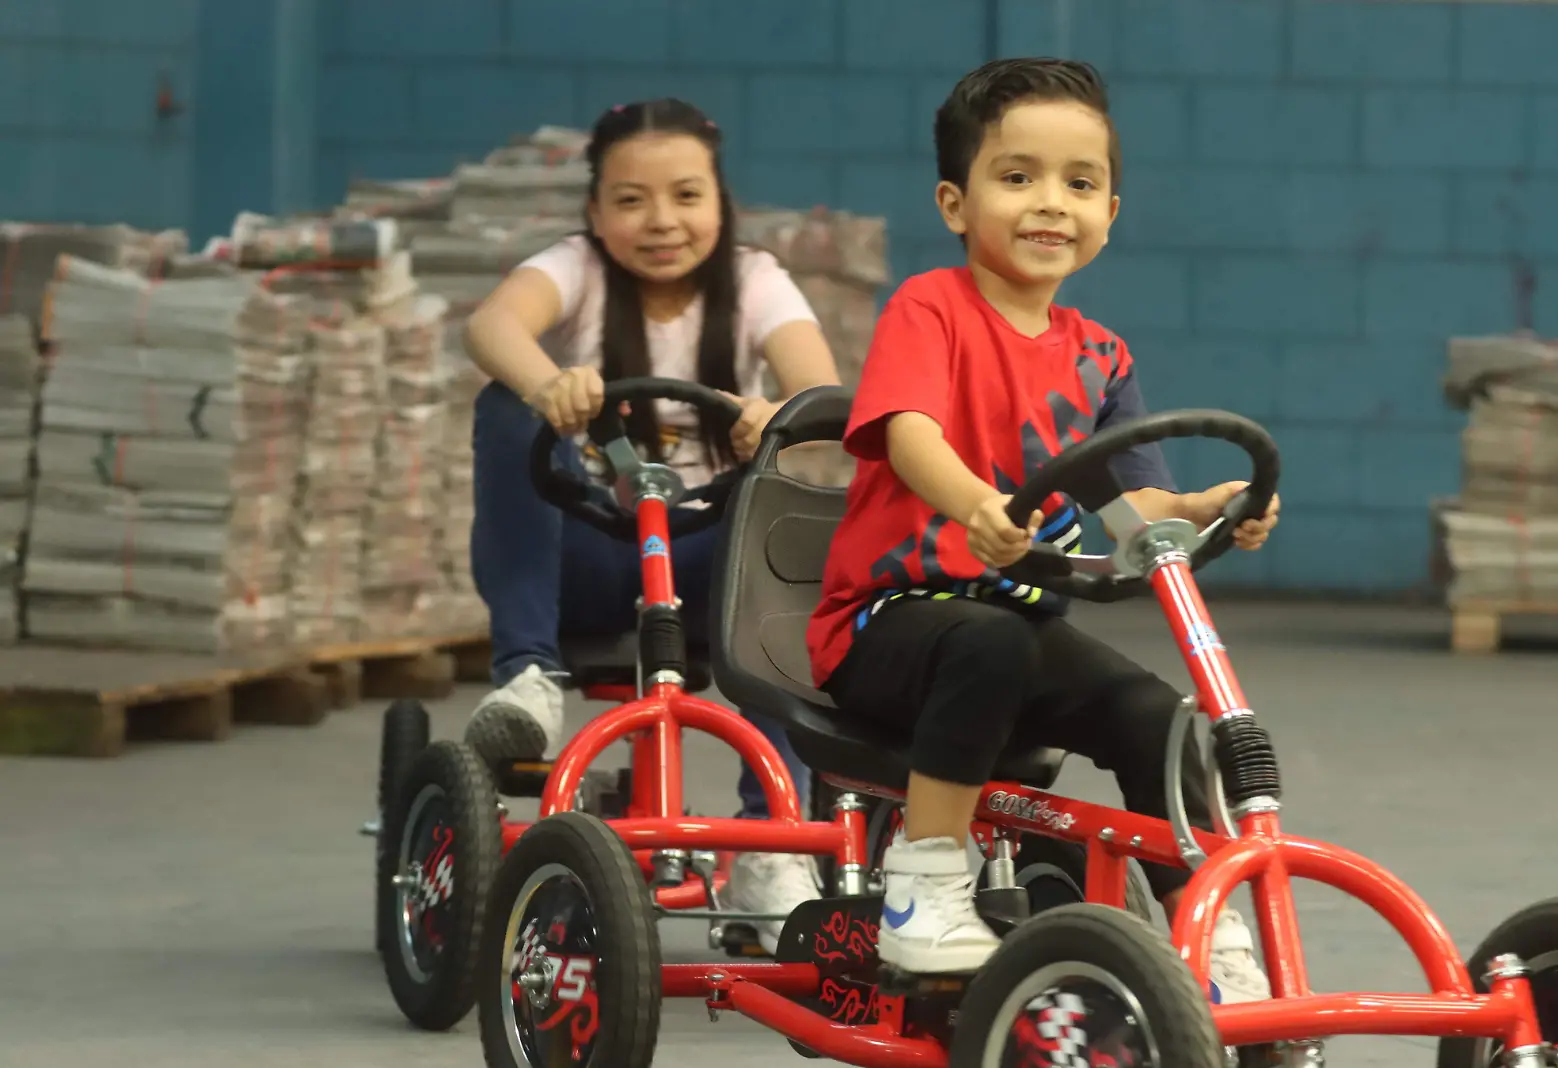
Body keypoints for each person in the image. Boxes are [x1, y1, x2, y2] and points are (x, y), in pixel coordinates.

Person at [805, 58, 1284, 997]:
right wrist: (974, 503)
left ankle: (1202, 923)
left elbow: (1130, 505)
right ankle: (924, 882)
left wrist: (1202, 509)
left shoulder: (1102, 356)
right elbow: (908, 433)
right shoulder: (930, 309)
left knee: (1154, 714)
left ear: (1112, 209)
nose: (1049, 204)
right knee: (986, 644)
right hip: (890, 624)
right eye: (1016, 177)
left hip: (1013, 629)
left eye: (1080, 183)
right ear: (956, 202)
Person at [461, 98, 834, 946]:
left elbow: (818, 383)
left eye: (685, 196)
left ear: (719, 201)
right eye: (631, 201)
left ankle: (772, 838)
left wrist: (773, 411)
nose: (661, 222)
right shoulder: (578, 271)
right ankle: (526, 674)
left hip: (707, 570)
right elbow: (491, 325)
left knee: (773, 503)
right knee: (507, 409)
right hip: (592, 559)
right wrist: (547, 384)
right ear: (596, 214)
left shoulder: (755, 279)